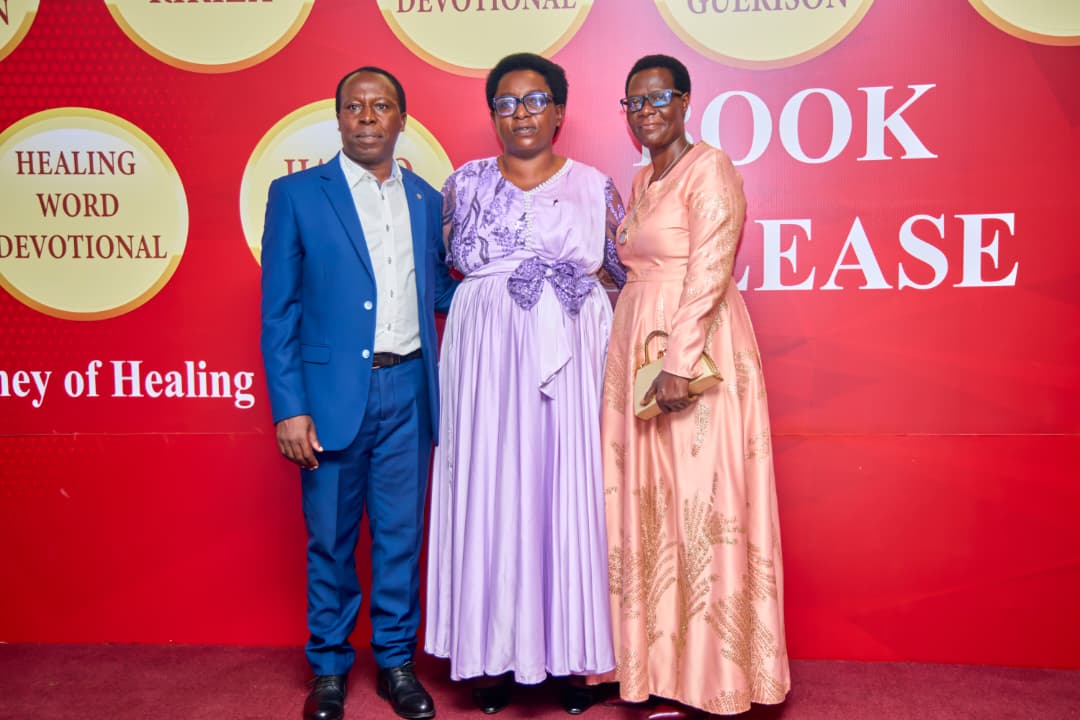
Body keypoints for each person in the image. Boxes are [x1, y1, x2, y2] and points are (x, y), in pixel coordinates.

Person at [423, 52, 626, 716]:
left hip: (573, 350)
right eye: (506, 103)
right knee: (491, 484)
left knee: (568, 487)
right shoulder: (463, 185)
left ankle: (576, 658)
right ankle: (492, 655)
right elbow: (440, 269)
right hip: (486, 356)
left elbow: (624, 278)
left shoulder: (596, 187)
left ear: (559, 112)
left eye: (536, 100)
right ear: (493, 115)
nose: (521, 114)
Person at [596, 54, 791, 717]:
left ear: (684, 102)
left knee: (698, 506)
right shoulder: (642, 177)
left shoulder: (710, 167)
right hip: (639, 348)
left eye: (659, 98)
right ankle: (654, 668)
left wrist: (678, 363)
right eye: (635, 102)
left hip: (691, 349)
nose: (647, 111)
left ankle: (710, 679)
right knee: (651, 510)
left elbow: (709, 268)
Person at [260, 66, 456, 720]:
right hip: (330, 401)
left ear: (402, 119)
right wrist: (290, 407)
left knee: (400, 539)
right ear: (338, 117)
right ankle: (329, 670)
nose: (367, 118)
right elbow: (279, 311)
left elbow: (442, 291)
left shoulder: (427, 200)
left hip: (410, 392)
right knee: (330, 542)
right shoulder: (296, 195)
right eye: (354, 106)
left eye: (381, 106)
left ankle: (397, 662)